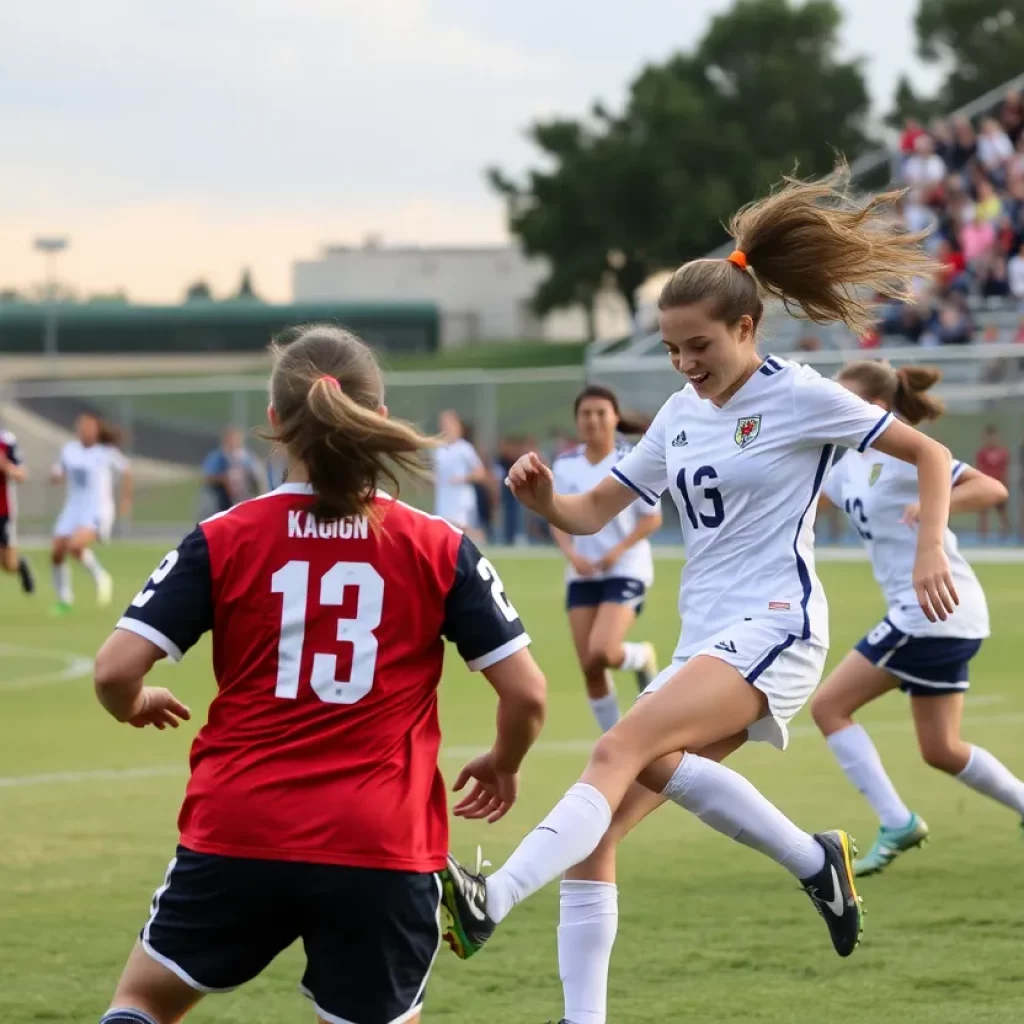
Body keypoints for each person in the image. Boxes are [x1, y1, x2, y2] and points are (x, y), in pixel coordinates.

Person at [440, 167, 959, 1024]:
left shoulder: (798, 396)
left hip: (776, 628)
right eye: (673, 350)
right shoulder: (680, 414)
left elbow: (931, 458)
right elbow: (594, 507)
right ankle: (811, 861)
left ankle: (490, 901)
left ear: (746, 328)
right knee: (599, 829)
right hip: (706, 638)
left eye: (700, 348)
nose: (685, 365)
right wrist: (544, 505)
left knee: (611, 758)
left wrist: (930, 547)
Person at [90, 324, 547, 1024]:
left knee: (142, 1005)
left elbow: (114, 669)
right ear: (379, 418)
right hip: (382, 843)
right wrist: (503, 760)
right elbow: (527, 693)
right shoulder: (437, 544)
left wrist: (134, 702)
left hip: (240, 828)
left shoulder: (224, 537)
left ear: (274, 424)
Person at [812, 361, 1022, 876]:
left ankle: (897, 821)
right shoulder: (846, 466)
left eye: (847, 399)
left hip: (931, 612)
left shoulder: (907, 454)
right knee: (942, 749)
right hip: (941, 615)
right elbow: (804, 502)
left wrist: (933, 512)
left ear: (878, 409)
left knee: (829, 707)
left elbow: (993, 490)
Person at [552, 385, 661, 731]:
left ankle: (641, 656)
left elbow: (651, 517)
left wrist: (617, 550)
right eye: (586, 414)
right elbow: (556, 516)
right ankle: (613, 741)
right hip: (583, 572)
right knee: (590, 666)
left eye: (601, 412)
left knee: (603, 649)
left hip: (625, 567)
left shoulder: (633, 458)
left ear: (615, 417)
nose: (593, 420)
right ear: (576, 421)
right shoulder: (565, 464)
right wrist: (572, 554)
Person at [50, 413, 132, 613]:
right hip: (73, 507)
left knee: (75, 545)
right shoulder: (69, 450)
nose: (87, 431)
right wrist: (56, 476)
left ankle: (100, 577)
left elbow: (127, 471)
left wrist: (126, 499)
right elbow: (59, 471)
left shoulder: (106, 452)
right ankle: (64, 599)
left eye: (91, 427)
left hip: (98, 509)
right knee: (57, 552)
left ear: (97, 430)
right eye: (83, 427)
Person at [433, 409, 486, 540]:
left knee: (462, 530)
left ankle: (482, 542)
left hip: (460, 496)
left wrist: (462, 479)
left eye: (448, 423)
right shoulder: (438, 448)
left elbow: (480, 473)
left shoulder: (465, 448)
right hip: (444, 496)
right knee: (445, 529)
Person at [201, 426, 266, 516]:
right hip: (222, 498)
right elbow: (208, 476)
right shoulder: (218, 456)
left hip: (244, 496)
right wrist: (224, 479)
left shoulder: (247, 457)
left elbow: (258, 475)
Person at [0, 426, 35, 594]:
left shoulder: (7, 441)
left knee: (8, 565)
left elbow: (22, 474)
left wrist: (5, 465)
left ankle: (20, 564)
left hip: (3, 510)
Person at [974, 425, 1012, 540]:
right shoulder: (981, 453)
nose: (992, 439)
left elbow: (1005, 470)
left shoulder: (1003, 453)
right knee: (983, 511)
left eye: (994, 437)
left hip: (999, 485)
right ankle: (983, 536)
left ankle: (1006, 533)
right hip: (986, 486)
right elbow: (978, 469)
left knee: (1002, 512)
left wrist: (1005, 485)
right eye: (989, 437)